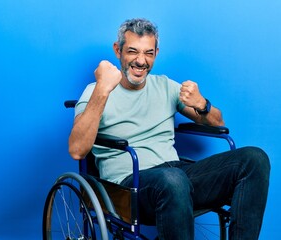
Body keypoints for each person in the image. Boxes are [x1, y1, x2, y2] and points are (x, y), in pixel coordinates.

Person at [68, 18, 270, 240]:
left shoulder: (165, 86)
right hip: (130, 185)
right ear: (118, 50)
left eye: (148, 53)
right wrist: (103, 89)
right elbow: (77, 150)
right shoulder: (96, 91)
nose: (140, 61)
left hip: (177, 174)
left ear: (156, 53)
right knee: (173, 179)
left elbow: (218, 124)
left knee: (255, 159)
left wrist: (202, 103)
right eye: (133, 51)